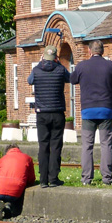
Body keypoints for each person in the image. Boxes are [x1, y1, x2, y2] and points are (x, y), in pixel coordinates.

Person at [69, 40, 112, 185]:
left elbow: (72, 79)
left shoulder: (82, 66)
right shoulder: (110, 65)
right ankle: (107, 178)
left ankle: (86, 178)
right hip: (105, 110)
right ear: (103, 51)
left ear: (89, 51)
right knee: (106, 144)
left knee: (87, 145)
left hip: (88, 110)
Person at [28, 45, 71, 188]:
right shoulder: (60, 69)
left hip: (42, 113)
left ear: (43, 56)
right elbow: (69, 78)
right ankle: (53, 178)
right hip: (58, 112)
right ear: (56, 58)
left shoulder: (36, 70)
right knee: (56, 146)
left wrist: (41, 63)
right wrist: (58, 63)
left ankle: (43, 180)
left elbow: (29, 80)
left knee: (43, 146)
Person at [0, 144, 36, 219]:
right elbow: (31, 178)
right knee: (12, 202)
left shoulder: (2, 159)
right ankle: (7, 207)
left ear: (7, 151)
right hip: (15, 191)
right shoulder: (27, 158)